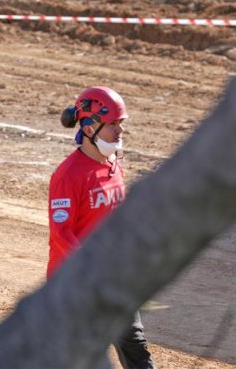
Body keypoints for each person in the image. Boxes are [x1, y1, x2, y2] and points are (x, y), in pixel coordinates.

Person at [49, 86, 155, 369]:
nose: (119, 131)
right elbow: (61, 233)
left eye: (121, 123)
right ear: (88, 125)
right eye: (112, 124)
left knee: (135, 347)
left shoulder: (114, 164)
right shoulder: (68, 175)